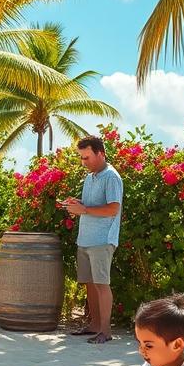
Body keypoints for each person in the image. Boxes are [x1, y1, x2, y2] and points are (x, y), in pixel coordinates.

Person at [62, 135, 123, 343]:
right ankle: (95, 325)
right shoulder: (90, 177)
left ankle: (105, 332)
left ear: (100, 153)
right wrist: (76, 204)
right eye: (81, 158)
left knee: (101, 284)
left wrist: (84, 209)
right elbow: (90, 205)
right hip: (85, 240)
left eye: (86, 157)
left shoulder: (111, 177)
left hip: (102, 240)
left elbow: (114, 208)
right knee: (90, 284)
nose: (83, 162)